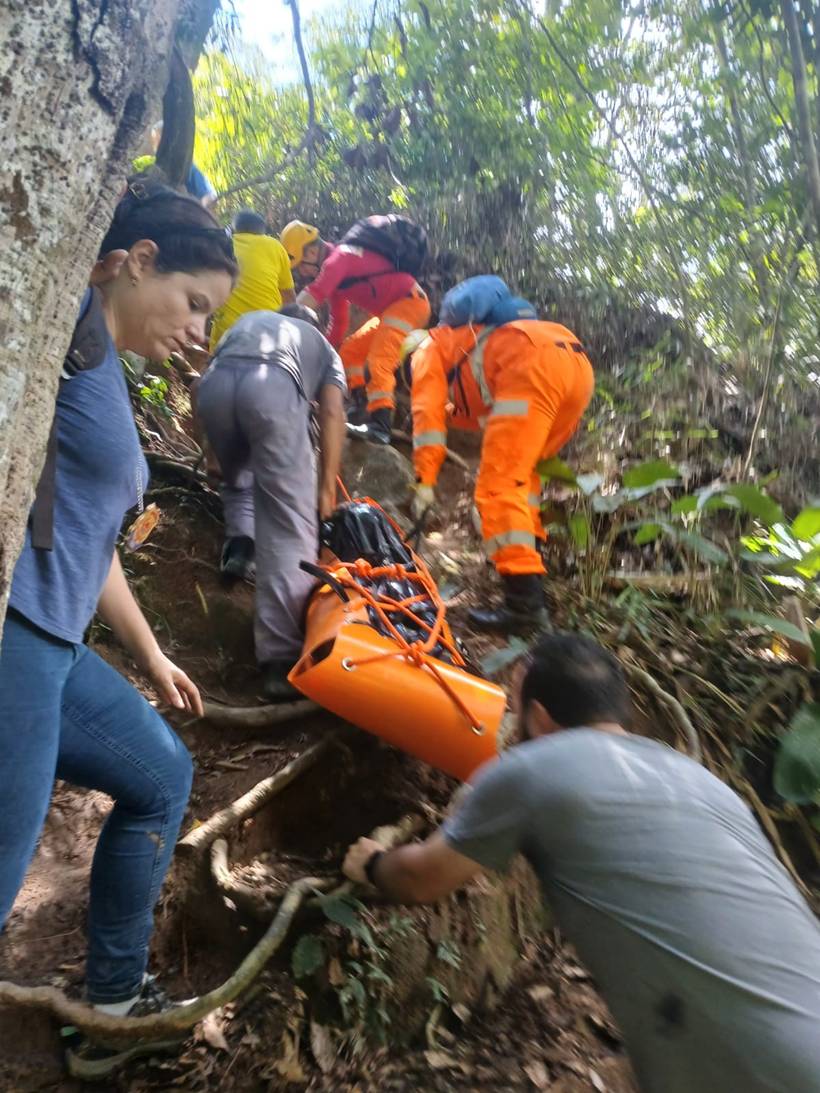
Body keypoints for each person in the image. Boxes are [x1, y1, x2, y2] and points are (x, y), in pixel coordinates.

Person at [344, 632, 820, 1093]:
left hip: (759, 1065)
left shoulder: (535, 767)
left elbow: (421, 879)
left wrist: (372, 863)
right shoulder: (702, 781)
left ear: (540, 716)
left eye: (513, 708)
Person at [0, 184, 237, 1079]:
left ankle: (108, 1002)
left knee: (161, 772)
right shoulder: (60, 321)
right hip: (17, 634)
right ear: (138, 260)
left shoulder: (104, 362)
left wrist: (153, 653)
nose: (197, 330)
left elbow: (93, 540)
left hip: (60, 642)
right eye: (193, 303)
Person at [193, 307, 347, 700]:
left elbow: (203, 384)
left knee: (239, 475)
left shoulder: (249, 323)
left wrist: (211, 452)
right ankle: (280, 661)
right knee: (288, 520)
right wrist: (326, 486)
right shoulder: (324, 348)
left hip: (214, 387)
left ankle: (240, 544)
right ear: (316, 327)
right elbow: (331, 411)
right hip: (272, 387)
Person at [408, 319, 594, 632]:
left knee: (498, 486)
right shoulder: (463, 342)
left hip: (531, 365)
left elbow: (427, 417)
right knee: (523, 480)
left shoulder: (425, 351)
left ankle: (524, 606)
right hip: (575, 366)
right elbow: (469, 407)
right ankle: (528, 580)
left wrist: (425, 481)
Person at [280, 219, 430, 444]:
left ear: (312, 251)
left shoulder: (341, 258)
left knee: (379, 359)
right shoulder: (338, 272)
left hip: (410, 303)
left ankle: (380, 426)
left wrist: (277, 323)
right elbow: (339, 322)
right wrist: (325, 352)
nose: (302, 272)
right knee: (350, 351)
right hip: (392, 310)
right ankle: (360, 408)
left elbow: (315, 292)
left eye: (301, 264)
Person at [208, 209, 296, 353]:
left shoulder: (220, 245)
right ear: (262, 232)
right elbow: (289, 297)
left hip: (227, 337)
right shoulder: (274, 246)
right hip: (269, 332)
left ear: (234, 230)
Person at [132, 121, 217, 208]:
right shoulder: (154, 169)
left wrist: (199, 208)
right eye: (154, 141)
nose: (155, 146)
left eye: (158, 141)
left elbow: (210, 194)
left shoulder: (186, 167)